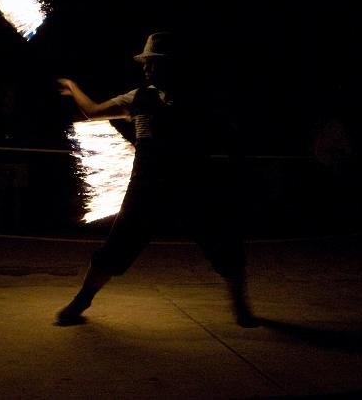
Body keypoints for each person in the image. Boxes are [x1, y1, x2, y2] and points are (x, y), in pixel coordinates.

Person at [55, 31, 257, 327]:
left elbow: (231, 140)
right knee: (116, 247)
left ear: (171, 65)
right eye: (146, 63)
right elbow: (93, 112)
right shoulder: (138, 97)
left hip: (194, 187)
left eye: (153, 63)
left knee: (224, 244)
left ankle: (241, 306)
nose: (146, 69)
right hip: (147, 190)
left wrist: (235, 178)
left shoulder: (202, 101)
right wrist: (74, 89)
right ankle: (81, 300)